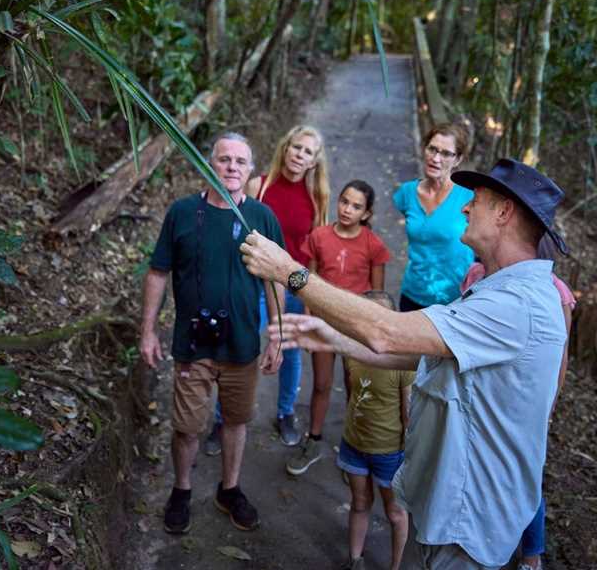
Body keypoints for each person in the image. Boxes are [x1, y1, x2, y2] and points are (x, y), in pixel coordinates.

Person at [240, 158, 570, 569]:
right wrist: (333, 337)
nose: (465, 208)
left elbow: (387, 331)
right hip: (445, 508)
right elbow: (422, 349)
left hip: (469, 523)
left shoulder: (515, 305)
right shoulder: (495, 288)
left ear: (504, 212)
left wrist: (289, 272)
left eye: (477, 201)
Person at [138, 132, 285, 535]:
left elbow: (277, 280)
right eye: (224, 159)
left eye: (240, 161)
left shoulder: (261, 218)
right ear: (209, 165)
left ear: (251, 170)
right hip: (192, 343)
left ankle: (229, 489)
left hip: (241, 345)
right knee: (187, 426)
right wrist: (148, 331)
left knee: (236, 421)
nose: (232, 167)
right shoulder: (182, 213)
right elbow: (157, 273)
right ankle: (182, 490)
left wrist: (277, 335)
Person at [207, 125, 330, 451]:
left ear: (314, 161)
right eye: (296, 147)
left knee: (289, 351)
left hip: (291, 284)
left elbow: (315, 249)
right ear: (285, 148)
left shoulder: (317, 198)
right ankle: (222, 420)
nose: (299, 155)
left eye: (307, 151)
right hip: (253, 282)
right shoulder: (258, 185)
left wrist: (310, 296)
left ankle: (286, 412)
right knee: (239, 349)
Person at [460, 235, 576, 570]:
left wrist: (548, 408)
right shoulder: (477, 274)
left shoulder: (555, 292)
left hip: (525, 402)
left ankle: (531, 554)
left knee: (525, 476)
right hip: (484, 397)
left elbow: (560, 357)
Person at [286, 180, 390, 475]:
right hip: (322, 322)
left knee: (356, 387)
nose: (347, 209)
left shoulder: (373, 244)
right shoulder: (319, 236)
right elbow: (309, 281)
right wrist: (308, 320)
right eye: (344, 201)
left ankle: (354, 451)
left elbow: (378, 298)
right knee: (321, 384)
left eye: (356, 206)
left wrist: (370, 331)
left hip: (355, 327)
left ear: (367, 213)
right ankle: (314, 440)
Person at [339, 290, 411, 570]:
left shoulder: (403, 362)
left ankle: (395, 566)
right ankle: (355, 560)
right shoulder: (352, 352)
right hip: (354, 444)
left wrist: (408, 456)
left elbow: (408, 414)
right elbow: (351, 394)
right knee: (359, 502)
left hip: (389, 452)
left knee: (394, 512)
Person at [393, 123, 474, 312]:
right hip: (412, 293)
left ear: (458, 159)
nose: (436, 158)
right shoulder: (406, 193)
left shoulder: (470, 198)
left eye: (446, 153)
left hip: (455, 300)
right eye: (432, 149)